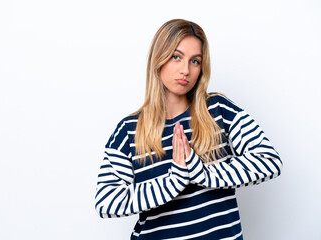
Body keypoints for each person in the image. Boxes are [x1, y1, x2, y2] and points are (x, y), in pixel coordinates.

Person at [94, 19, 282, 240]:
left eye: (195, 61)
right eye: (176, 57)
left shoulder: (218, 110)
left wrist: (201, 173)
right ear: (159, 58)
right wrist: (174, 181)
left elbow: (269, 160)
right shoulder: (129, 130)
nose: (186, 70)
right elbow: (106, 202)